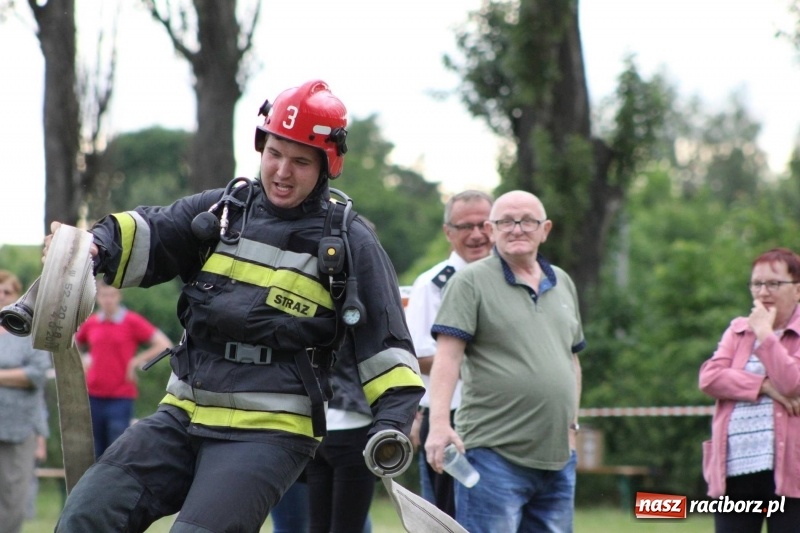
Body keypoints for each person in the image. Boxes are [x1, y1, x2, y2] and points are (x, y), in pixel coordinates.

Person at [50, 79, 424, 533]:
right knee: (86, 516)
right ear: (260, 147)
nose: (282, 171)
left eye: (301, 161)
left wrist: (391, 425)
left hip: (272, 429)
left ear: (327, 165)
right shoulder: (223, 210)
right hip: (183, 412)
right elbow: (152, 228)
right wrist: (93, 247)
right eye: (274, 153)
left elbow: (388, 349)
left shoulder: (350, 241)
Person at [424, 190, 584, 533]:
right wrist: (438, 425)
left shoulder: (563, 282)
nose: (516, 229)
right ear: (492, 230)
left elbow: (571, 359)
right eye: (505, 222)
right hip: (492, 453)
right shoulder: (469, 282)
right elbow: (447, 358)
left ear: (545, 229)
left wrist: (572, 427)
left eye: (527, 221)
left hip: (556, 457)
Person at [699, 247, 800, 533]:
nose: (764, 291)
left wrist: (766, 336)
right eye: (757, 283)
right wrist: (764, 386)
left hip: (791, 472)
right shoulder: (738, 331)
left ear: (798, 290)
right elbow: (710, 377)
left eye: (774, 283)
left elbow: (793, 382)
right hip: (735, 468)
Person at [405, 189, 493, 517]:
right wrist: (481, 359)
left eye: (484, 224)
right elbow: (413, 356)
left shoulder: (512, 281)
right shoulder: (432, 285)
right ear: (448, 232)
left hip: (501, 419)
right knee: (449, 518)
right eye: (465, 226)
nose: (476, 234)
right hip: (450, 418)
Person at [76, 280, 173, 459]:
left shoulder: (131, 321)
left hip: (121, 394)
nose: (108, 300)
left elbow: (164, 344)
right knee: (94, 449)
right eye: (104, 295)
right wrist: (83, 359)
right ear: (98, 298)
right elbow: (73, 344)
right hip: (93, 394)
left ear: (119, 296)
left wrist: (136, 361)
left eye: (112, 295)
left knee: (116, 447)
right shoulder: (92, 323)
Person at [0, 270, 52, 533]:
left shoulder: (27, 331)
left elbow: (36, 374)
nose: (0, 296)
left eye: (6, 292)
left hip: (20, 426)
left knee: (13, 495)